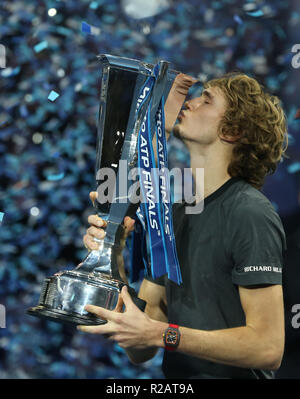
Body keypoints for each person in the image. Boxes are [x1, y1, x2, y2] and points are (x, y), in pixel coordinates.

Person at [78, 72, 288, 379]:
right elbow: (141, 348)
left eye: (206, 99)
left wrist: (163, 335)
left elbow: (268, 348)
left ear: (231, 130)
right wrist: (114, 254)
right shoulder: (175, 217)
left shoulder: (249, 212)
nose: (190, 102)